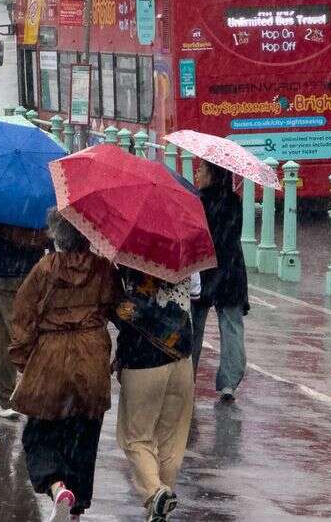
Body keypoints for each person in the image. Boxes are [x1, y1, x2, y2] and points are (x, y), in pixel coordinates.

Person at [10, 209, 120, 522]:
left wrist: (23, 360)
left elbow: (22, 316)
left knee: (40, 434)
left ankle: (57, 486)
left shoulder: (45, 269)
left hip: (51, 360)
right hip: (91, 358)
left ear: (57, 235)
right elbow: (119, 309)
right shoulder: (102, 270)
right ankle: (76, 509)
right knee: (85, 435)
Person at [112, 268, 198, 522]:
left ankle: (156, 491)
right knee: (171, 442)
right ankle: (161, 508)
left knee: (137, 438)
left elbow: (128, 314)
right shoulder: (183, 265)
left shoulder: (136, 265)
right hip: (182, 357)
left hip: (144, 360)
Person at [0, 214, 50, 419]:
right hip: (32, 270)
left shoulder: (0, 191)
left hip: (3, 270)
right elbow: (50, 236)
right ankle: (14, 397)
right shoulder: (42, 193)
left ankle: (15, 397)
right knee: (20, 333)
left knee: (9, 336)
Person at [191, 161, 249, 401]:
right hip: (232, 270)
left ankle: (187, 376)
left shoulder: (197, 201)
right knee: (231, 326)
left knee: (194, 327)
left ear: (212, 175)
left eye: (201, 170)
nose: (196, 173)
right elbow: (231, 235)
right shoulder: (234, 202)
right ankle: (229, 383)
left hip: (204, 269)